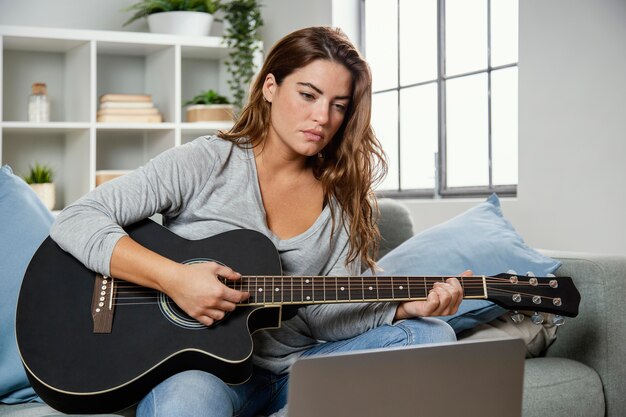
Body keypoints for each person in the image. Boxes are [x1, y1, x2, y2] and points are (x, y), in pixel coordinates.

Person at [51, 26, 464, 417]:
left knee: (431, 336)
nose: (322, 116)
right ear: (271, 87)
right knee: (185, 402)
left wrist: (399, 310)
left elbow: (322, 316)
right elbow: (77, 218)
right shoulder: (207, 161)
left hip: (297, 369)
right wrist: (172, 278)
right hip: (204, 374)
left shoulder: (341, 199)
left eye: (338, 106)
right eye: (308, 94)